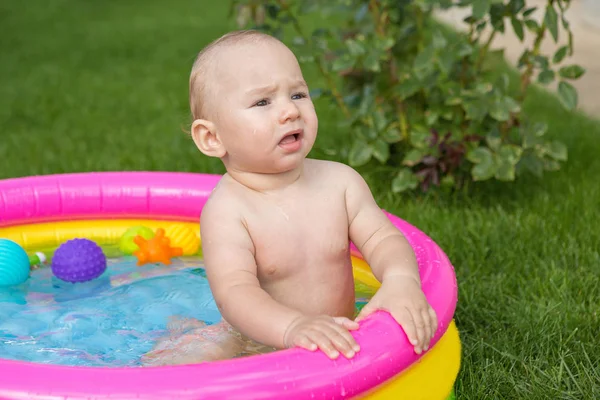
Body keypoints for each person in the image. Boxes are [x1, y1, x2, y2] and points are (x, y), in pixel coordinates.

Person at [142, 30, 437, 366]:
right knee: (182, 367)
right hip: (255, 344)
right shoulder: (228, 211)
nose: (289, 112)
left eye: (297, 94)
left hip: (337, 333)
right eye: (263, 102)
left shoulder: (340, 183)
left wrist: (401, 280)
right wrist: (293, 327)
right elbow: (235, 293)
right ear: (211, 138)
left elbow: (383, 238)